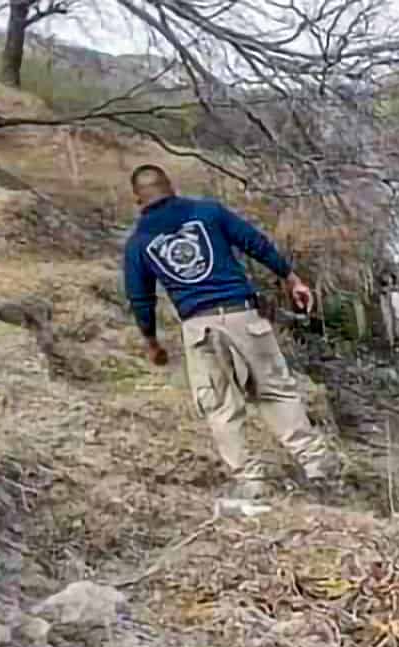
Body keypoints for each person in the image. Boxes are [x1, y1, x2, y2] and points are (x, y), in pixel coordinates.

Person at [122, 164, 337, 499]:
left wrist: (151, 342)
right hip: (244, 316)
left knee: (221, 406)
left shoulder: (139, 243)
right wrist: (290, 278)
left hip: (199, 328)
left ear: (138, 199)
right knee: (276, 392)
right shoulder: (208, 211)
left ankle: (251, 482)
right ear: (171, 187)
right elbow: (255, 243)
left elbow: (140, 298)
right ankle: (317, 465)